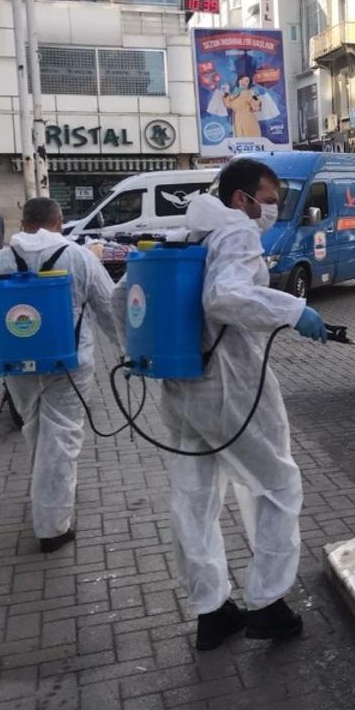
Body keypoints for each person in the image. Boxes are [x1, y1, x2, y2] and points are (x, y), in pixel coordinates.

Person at [113, 157, 327, 651]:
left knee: (194, 498)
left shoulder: (188, 233)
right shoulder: (236, 232)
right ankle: (268, 604)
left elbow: (122, 297)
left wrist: (139, 354)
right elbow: (224, 298)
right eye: (268, 200)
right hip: (230, 384)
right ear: (240, 198)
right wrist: (293, 310)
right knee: (278, 486)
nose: (271, 210)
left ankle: (211, 611)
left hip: (181, 385)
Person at [0, 197, 119, 553]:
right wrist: (128, 350)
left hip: (17, 364)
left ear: (23, 224)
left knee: (36, 429)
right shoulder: (78, 257)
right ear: (59, 222)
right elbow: (110, 307)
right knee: (61, 437)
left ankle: (47, 494)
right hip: (69, 364)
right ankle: (52, 527)